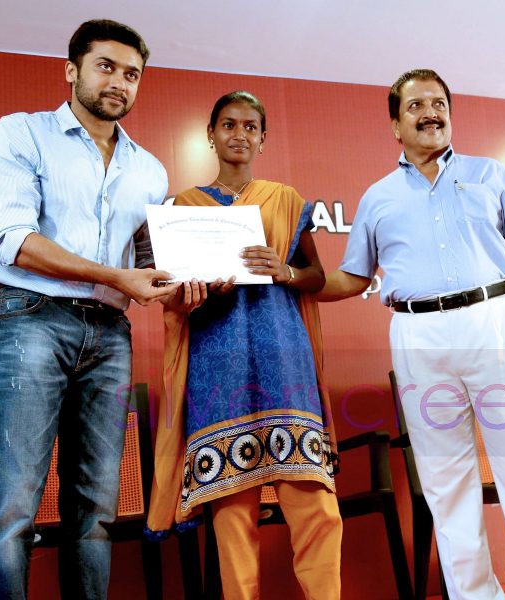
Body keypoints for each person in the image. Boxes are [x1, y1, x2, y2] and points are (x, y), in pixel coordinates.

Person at [319, 69, 505, 600]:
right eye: (415, 106)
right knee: (446, 482)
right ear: (396, 124)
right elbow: (352, 278)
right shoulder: (378, 197)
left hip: (493, 325)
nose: (430, 113)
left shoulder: (490, 175)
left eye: (438, 103)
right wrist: (290, 279)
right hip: (417, 335)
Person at [0, 19, 178, 600]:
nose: (120, 82)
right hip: (31, 320)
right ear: (72, 70)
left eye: (132, 74)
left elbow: (150, 262)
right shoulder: (22, 133)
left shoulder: (150, 170)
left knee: (97, 509)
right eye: (106, 66)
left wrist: (199, 278)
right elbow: (12, 238)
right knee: (13, 504)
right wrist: (115, 277)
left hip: (110, 336)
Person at [146, 90, 342, 600]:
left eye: (251, 126)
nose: (240, 135)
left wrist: (287, 270)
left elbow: (317, 277)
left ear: (263, 138)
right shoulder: (182, 208)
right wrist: (193, 291)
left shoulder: (287, 200)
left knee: (315, 504)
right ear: (210, 135)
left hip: (284, 362)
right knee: (232, 514)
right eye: (228, 125)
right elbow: (171, 294)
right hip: (217, 367)